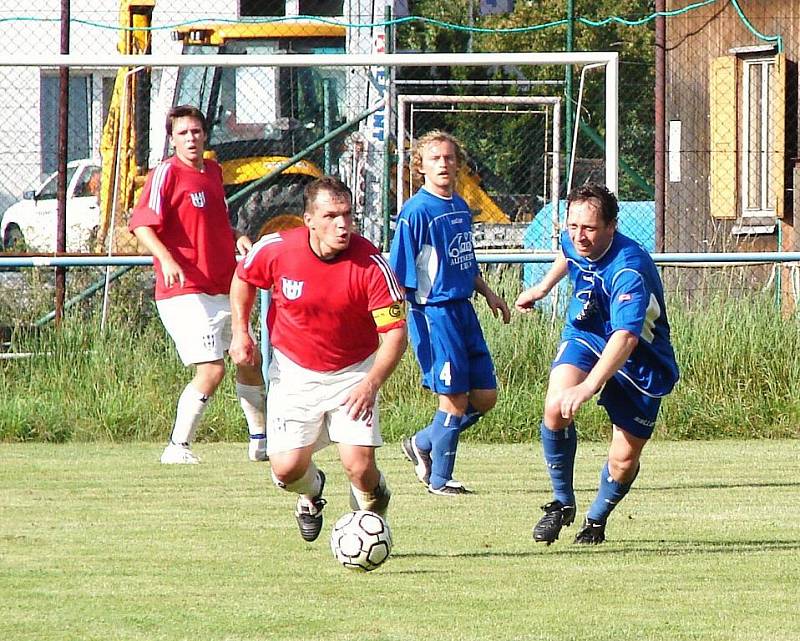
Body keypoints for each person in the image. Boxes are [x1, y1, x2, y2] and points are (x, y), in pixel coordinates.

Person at [228, 176, 406, 543]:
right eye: (330, 216)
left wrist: (370, 383)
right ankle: (313, 490)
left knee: (359, 468)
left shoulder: (371, 264)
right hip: (294, 373)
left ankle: (372, 520)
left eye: (347, 215)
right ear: (308, 220)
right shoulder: (276, 249)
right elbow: (243, 278)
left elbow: (396, 336)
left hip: (353, 373)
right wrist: (241, 331)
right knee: (287, 469)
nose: (342, 225)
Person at [515, 182, 679, 544]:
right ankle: (561, 502)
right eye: (572, 227)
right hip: (587, 335)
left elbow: (626, 338)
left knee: (623, 458)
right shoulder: (574, 240)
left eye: (589, 228)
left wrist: (589, 387)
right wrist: (542, 289)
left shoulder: (628, 270)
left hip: (638, 359)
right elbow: (567, 254)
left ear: (612, 227)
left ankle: (595, 521)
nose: (579, 236)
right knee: (555, 406)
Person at [129, 104, 268, 465]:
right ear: (172, 139)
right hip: (185, 290)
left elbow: (212, 221)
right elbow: (142, 224)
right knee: (212, 369)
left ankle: (261, 441)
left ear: (204, 134)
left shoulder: (213, 171)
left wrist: (235, 234)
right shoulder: (166, 174)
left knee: (249, 356)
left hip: (221, 286)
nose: (190, 138)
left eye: (195, 131)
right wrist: (168, 258)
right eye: (183, 133)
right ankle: (177, 446)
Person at [389, 130, 510, 496]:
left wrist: (489, 293)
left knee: (484, 396)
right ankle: (440, 479)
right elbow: (398, 272)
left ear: (457, 164)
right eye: (435, 158)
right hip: (434, 313)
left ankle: (423, 442)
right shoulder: (416, 212)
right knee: (454, 399)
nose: (443, 164)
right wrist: (394, 321)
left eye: (449, 157)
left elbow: (464, 259)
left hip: (464, 310)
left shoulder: (459, 207)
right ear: (420, 166)